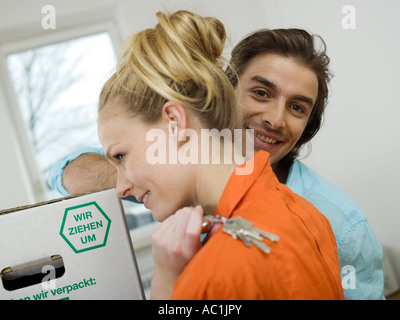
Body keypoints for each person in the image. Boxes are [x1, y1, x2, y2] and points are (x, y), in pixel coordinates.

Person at [48, 27, 383, 299]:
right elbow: (62, 169)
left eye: (297, 107)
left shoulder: (216, 274)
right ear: (227, 90)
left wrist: (167, 283)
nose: (275, 119)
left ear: (176, 123)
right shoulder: (304, 214)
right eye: (261, 93)